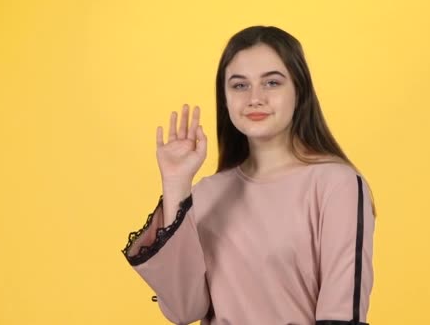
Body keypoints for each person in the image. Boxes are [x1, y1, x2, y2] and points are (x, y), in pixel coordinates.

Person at [121, 25, 376, 325]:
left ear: (299, 90)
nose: (255, 98)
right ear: (225, 98)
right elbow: (184, 310)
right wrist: (176, 184)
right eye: (239, 85)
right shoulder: (206, 195)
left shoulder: (336, 185)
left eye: (271, 83)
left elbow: (341, 314)